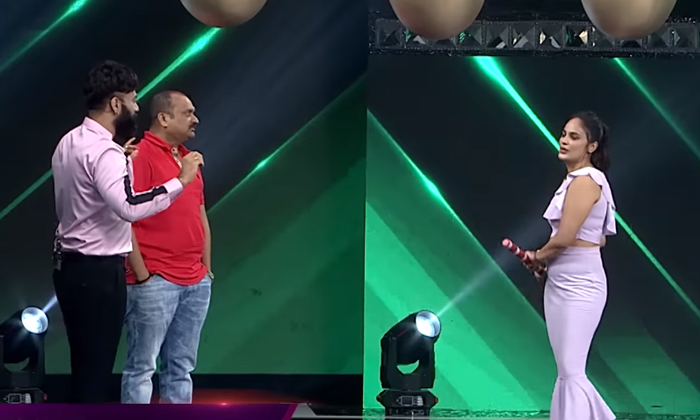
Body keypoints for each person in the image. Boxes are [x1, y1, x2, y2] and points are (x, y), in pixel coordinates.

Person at [51, 61, 204, 404]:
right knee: (96, 371)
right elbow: (129, 207)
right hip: (98, 272)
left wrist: (120, 160)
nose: (137, 108)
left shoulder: (70, 141)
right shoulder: (104, 151)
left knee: (84, 367)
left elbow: (88, 193)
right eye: (133, 100)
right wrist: (180, 180)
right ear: (116, 103)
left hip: (71, 268)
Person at [121, 91, 212, 404]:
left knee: (181, 368)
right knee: (142, 367)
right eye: (187, 113)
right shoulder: (139, 155)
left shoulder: (189, 159)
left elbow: (199, 213)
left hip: (195, 280)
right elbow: (124, 215)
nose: (195, 119)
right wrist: (143, 275)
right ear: (163, 118)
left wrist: (206, 269)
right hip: (155, 278)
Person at [524, 111, 616, 420]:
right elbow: (596, 238)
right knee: (567, 370)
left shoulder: (586, 181)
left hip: (581, 284)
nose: (564, 140)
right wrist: (546, 262)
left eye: (574, 136)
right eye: (563, 134)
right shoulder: (575, 181)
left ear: (591, 146)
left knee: (572, 369)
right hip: (560, 282)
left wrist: (539, 255)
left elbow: (564, 238)